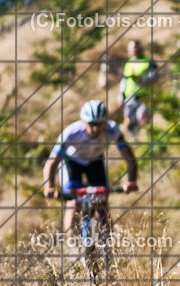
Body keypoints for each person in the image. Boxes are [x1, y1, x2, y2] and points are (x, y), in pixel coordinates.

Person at [43, 100, 137, 238]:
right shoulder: (70, 133)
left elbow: (130, 159)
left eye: (99, 124)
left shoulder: (113, 130)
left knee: (102, 201)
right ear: (83, 122)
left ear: (105, 122)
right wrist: (49, 187)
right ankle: (73, 246)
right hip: (71, 163)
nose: (95, 129)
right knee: (74, 201)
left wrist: (131, 181)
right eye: (91, 124)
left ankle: (106, 244)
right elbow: (51, 163)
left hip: (95, 162)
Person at [118, 40, 156, 136]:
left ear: (140, 47)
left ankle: (146, 139)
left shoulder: (148, 61)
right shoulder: (128, 63)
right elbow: (124, 80)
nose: (133, 50)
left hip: (143, 97)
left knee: (143, 119)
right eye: (130, 48)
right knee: (129, 120)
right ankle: (133, 140)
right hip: (129, 98)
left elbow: (154, 77)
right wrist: (120, 96)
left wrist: (142, 80)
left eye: (134, 47)